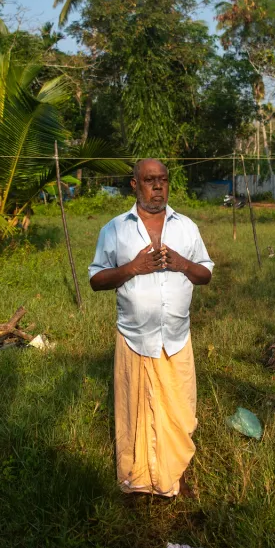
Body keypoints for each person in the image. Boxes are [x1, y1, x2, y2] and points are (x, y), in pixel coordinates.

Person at [88, 158, 214, 498]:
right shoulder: (115, 229)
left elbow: (206, 274)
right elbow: (96, 280)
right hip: (135, 339)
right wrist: (132, 267)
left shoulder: (186, 227)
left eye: (162, 180)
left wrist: (182, 263)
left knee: (180, 413)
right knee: (135, 416)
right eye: (149, 180)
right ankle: (137, 479)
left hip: (176, 339)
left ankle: (176, 473)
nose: (157, 186)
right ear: (134, 184)